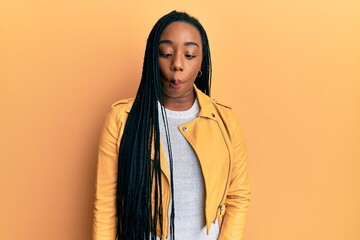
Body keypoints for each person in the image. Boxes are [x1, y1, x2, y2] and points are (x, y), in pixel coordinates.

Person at [93, 10, 250, 240]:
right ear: (152, 59)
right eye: (166, 53)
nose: (177, 64)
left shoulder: (225, 121)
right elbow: (106, 203)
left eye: (189, 55)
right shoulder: (122, 119)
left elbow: (238, 197)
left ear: (201, 62)